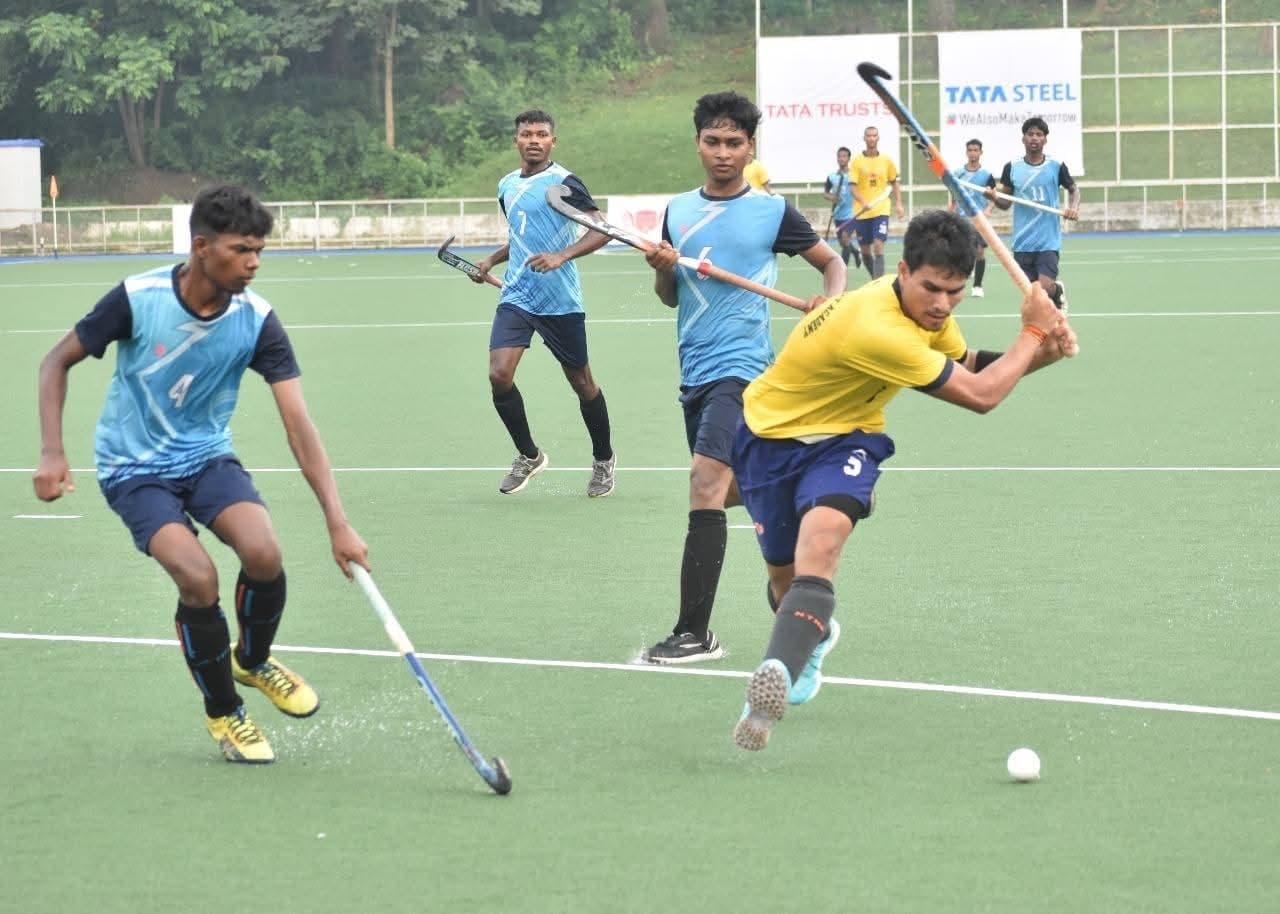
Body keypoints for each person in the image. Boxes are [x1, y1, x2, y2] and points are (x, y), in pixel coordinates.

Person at [32, 184, 369, 764]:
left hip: (206, 456)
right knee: (198, 578)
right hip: (133, 468)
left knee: (264, 554)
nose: (255, 263)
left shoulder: (257, 320)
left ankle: (253, 660)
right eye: (242, 250)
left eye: (260, 250)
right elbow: (55, 361)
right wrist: (52, 453)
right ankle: (224, 712)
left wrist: (337, 522)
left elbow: (299, 424)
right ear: (201, 246)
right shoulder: (137, 299)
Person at [729, 209, 1077, 751]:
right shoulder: (876, 326)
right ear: (903, 270)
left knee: (821, 544)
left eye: (956, 293)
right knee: (783, 577)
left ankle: (765, 695)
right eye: (932, 288)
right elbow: (982, 397)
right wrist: (1032, 332)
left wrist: (1042, 354)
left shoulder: (928, 316)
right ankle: (812, 634)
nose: (942, 305)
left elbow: (972, 368)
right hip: (769, 442)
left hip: (847, 439)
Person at [641, 91, 846, 665]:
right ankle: (790, 493)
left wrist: (828, 308)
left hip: (745, 368)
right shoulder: (678, 211)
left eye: (735, 143)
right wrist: (661, 270)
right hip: (695, 369)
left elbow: (832, 265)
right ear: (698, 143)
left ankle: (693, 632)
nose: (724, 153)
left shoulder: (771, 211)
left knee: (705, 478)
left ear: (750, 147)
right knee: (729, 489)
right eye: (713, 141)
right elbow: (669, 297)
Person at [470, 109, 616, 497]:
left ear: (553, 141)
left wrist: (562, 255)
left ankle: (603, 460)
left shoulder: (563, 182)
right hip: (517, 295)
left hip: (559, 299)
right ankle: (529, 456)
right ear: (516, 140)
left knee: (581, 382)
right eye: (526, 134)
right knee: (499, 375)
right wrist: (489, 261)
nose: (533, 140)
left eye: (541, 134)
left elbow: (604, 230)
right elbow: (521, 237)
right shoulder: (506, 185)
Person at [984, 116, 1080, 309]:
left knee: (1042, 288)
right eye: (1030, 134)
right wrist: (993, 197)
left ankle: (1055, 290)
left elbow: (1074, 190)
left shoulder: (1056, 165)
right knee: (1032, 295)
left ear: (1045, 139)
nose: (1034, 138)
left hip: (1048, 241)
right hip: (1022, 242)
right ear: (1023, 139)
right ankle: (1053, 304)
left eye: (1039, 134)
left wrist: (1073, 208)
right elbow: (1005, 203)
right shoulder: (1011, 167)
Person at [849, 125, 906, 281]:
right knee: (865, 251)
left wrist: (899, 204)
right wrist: (863, 202)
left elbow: (894, 183)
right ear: (864, 138)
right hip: (861, 212)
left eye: (874, 135)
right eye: (869, 135)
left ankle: (879, 283)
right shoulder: (856, 162)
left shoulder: (886, 160)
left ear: (878, 138)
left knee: (878, 245)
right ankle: (875, 280)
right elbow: (853, 188)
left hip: (881, 209)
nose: (872, 138)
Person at [947, 138, 996, 297]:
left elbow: (993, 196)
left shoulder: (986, 175)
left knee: (980, 251)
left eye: (976, 150)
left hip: (979, 218)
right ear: (966, 152)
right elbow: (954, 194)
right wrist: (951, 208)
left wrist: (988, 209)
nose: (973, 153)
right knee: (962, 251)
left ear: (981, 153)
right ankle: (958, 282)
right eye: (970, 150)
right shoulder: (958, 174)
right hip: (961, 218)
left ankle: (977, 286)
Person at [823, 146, 861, 269]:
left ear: (849, 158)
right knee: (844, 243)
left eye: (844, 156)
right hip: (838, 214)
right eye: (839, 156)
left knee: (845, 239)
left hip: (852, 213)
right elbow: (825, 192)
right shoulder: (832, 177)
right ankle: (855, 252)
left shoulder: (854, 175)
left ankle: (842, 269)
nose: (841, 158)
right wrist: (832, 197)